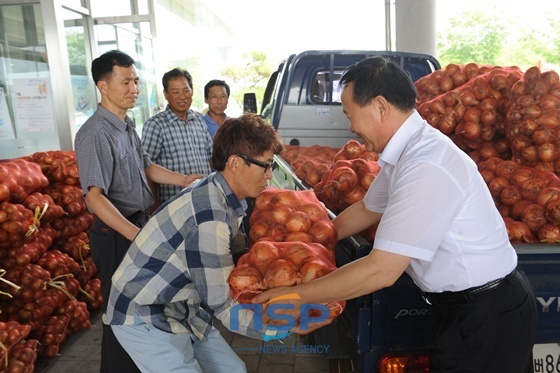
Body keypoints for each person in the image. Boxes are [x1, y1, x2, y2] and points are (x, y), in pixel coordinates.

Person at [253, 57, 538, 373]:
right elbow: (367, 209)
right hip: (463, 309)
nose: (350, 127)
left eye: (350, 115)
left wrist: (296, 295)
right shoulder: (407, 152)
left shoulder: (426, 164)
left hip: (486, 315)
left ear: (379, 106)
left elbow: (381, 271)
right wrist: (311, 243)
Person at [104, 114, 299, 372]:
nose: (270, 176)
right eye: (265, 165)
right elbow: (221, 303)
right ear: (236, 163)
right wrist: (281, 327)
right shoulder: (209, 216)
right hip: (143, 312)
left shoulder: (221, 194)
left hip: (181, 307)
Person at [74, 50, 202, 373]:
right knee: (121, 314)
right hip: (117, 233)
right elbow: (95, 197)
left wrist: (185, 180)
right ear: (103, 86)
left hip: (137, 225)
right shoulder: (95, 133)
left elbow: (147, 167)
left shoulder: (126, 125)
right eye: (126, 81)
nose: (134, 88)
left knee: (140, 308)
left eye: (136, 81)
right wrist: (134, 234)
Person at [142, 68, 213, 207]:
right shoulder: (155, 125)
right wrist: (154, 205)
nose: (182, 96)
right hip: (174, 205)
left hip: (205, 199)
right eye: (175, 92)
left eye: (186, 90)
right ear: (166, 94)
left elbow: (209, 159)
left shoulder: (199, 119)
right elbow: (146, 168)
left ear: (192, 90)